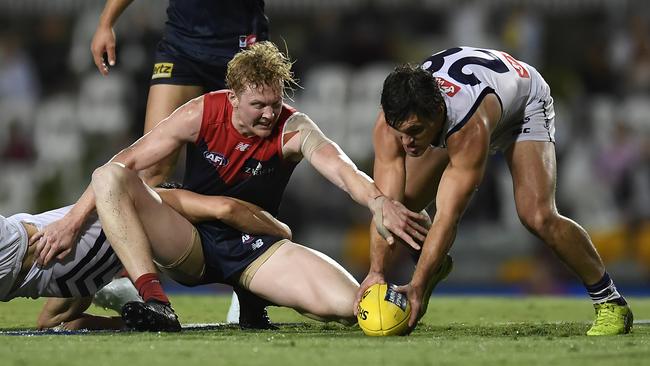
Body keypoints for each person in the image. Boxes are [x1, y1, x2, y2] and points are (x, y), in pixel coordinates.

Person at [34, 41, 429, 332]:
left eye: (275, 102)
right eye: (258, 105)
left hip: (254, 246)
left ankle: (249, 302)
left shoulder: (293, 127)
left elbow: (341, 168)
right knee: (108, 176)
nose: (269, 113)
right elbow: (127, 161)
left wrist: (377, 201)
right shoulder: (201, 112)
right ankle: (155, 302)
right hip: (190, 240)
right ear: (234, 97)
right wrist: (71, 223)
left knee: (353, 309)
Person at [354, 46, 633, 336]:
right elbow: (385, 206)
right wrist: (376, 272)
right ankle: (430, 262)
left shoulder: (467, 125)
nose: (407, 143)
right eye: (401, 132)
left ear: (437, 113)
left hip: (523, 106)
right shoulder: (393, 122)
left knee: (537, 215)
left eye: (415, 132)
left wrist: (417, 286)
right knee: (401, 206)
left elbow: (448, 216)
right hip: (478, 100)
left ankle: (610, 300)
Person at [91, 0, 270, 325]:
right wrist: (106, 22)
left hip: (242, 48)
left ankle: (248, 287)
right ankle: (136, 278)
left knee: (246, 168)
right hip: (182, 45)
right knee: (150, 170)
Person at [1, 188, 290, 330]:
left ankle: (124, 296)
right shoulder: (154, 202)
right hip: (14, 246)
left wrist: (126, 322)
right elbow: (225, 208)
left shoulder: (91, 273)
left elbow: (50, 324)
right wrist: (281, 233)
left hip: (19, 262)